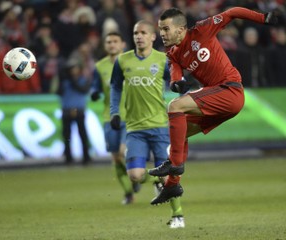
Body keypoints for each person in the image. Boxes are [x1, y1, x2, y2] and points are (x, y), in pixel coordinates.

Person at [148, 7, 278, 205]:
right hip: (218, 99)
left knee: (175, 107)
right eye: (160, 29)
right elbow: (175, 78)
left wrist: (262, 18)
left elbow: (232, 12)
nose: (162, 34)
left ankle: (175, 164)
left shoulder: (202, 30)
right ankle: (172, 185)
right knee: (179, 131)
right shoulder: (172, 54)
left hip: (230, 90)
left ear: (181, 29)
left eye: (166, 29)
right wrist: (177, 84)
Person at [110, 20, 185, 228]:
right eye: (136, 33)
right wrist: (114, 112)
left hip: (160, 125)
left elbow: (175, 81)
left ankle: (178, 215)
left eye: (143, 32)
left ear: (153, 37)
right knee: (135, 176)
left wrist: (180, 86)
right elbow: (115, 87)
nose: (139, 36)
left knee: (169, 175)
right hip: (135, 128)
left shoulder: (162, 60)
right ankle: (152, 180)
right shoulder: (123, 61)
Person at [91, 32, 140, 205]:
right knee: (116, 158)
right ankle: (128, 192)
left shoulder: (133, 63)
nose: (111, 44)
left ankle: (138, 176)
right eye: (108, 42)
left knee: (122, 152)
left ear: (122, 44)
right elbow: (95, 86)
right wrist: (94, 93)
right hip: (110, 117)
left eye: (115, 41)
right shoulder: (100, 66)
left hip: (131, 116)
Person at [58, 57, 92, 165]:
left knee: (82, 134)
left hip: (79, 110)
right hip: (67, 111)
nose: (73, 70)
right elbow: (58, 92)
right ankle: (68, 157)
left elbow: (83, 90)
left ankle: (86, 157)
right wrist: (60, 80)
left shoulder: (83, 80)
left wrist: (71, 80)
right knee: (67, 135)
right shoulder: (64, 81)